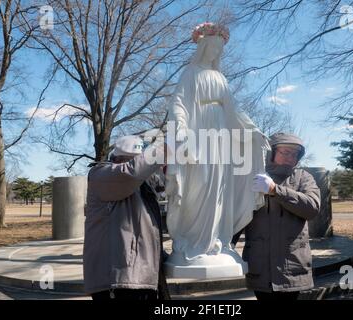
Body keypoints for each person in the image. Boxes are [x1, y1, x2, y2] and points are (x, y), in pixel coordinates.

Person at [165, 22, 270, 272]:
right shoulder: (190, 73)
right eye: (212, 48)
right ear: (203, 47)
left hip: (221, 133)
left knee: (219, 188)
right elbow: (178, 102)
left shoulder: (220, 77)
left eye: (219, 50)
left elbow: (234, 108)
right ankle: (191, 241)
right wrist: (180, 127)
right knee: (196, 186)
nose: (215, 53)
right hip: (197, 132)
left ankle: (217, 241)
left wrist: (252, 130)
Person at [83, 135, 170, 300]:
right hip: (116, 283)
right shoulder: (100, 175)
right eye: (136, 159)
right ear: (118, 159)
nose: (143, 165)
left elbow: (143, 230)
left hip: (140, 279)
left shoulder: (142, 187)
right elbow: (133, 171)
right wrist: (167, 147)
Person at [243, 132, 321, 300]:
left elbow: (312, 208)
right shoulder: (254, 177)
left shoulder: (303, 178)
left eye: (294, 154)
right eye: (285, 152)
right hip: (259, 266)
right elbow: (237, 215)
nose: (290, 157)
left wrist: (275, 190)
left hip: (292, 268)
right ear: (271, 152)